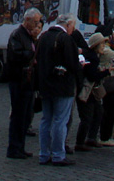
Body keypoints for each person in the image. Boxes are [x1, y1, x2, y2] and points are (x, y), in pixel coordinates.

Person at [35, 13, 80, 167]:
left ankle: (44, 153)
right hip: (62, 85)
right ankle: (58, 154)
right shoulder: (65, 39)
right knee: (61, 120)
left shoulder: (44, 37)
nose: (73, 30)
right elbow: (73, 63)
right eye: (72, 26)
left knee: (46, 120)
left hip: (45, 85)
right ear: (67, 25)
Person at [5, 7, 41, 159]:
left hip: (28, 80)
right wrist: (31, 54)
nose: (37, 25)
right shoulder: (17, 35)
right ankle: (14, 147)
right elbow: (15, 55)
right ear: (27, 21)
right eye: (36, 22)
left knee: (26, 115)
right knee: (18, 115)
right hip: (18, 79)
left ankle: (21, 146)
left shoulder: (29, 37)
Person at [74, 32, 109, 151]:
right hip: (87, 91)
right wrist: (106, 72)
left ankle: (90, 138)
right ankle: (81, 141)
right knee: (87, 117)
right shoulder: (93, 57)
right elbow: (92, 76)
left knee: (98, 112)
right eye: (102, 44)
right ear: (97, 45)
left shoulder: (92, 56)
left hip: (90, 91)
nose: (104, 46)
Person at [96, 26, 114, 146]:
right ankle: (105, 136)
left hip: (110, 80)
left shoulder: (106, 47)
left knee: (110, 109)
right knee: (109, 109)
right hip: (108, 81)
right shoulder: (106, 50)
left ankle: (105, 135)